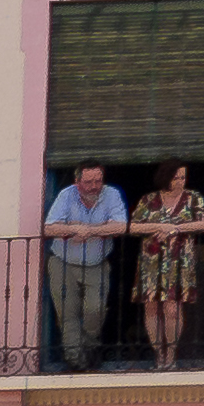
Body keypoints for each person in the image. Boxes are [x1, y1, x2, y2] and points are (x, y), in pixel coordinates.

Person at [40, 157, 130, 371]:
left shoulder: (111, 194)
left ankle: (90, 348)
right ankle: (76, 360)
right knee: (67, 314)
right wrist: (74, 229)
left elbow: (120, 226)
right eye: (88, 182)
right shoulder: (66, 195)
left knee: (95, 309)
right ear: (77, 181)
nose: (94, 186)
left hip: (96, 264)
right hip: (62, 263)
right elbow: (49, 228)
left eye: (98, 181)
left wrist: (88, 230)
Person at [131, 159, 204, 369]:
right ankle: (158, 353)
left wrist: (175, 229)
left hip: (179, 261)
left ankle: (171, 354)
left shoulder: (193, 198)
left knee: (172, 309)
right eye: (176, 177)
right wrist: (160, 227)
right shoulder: (149, 200)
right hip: (152, 261)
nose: (180, 181)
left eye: (183, 177)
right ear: (165, 177)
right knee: (151, 308)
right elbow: (133, 227)